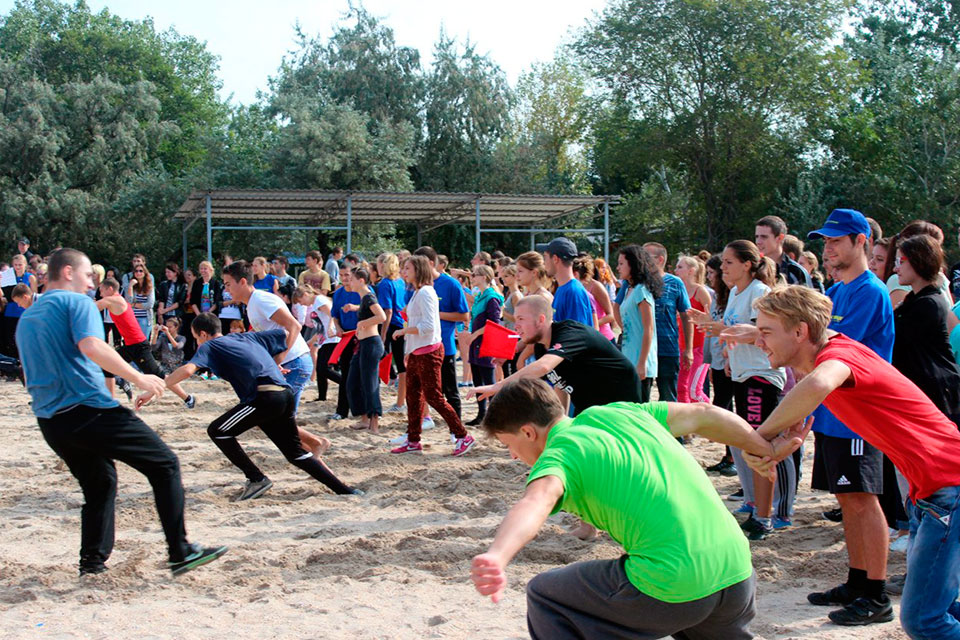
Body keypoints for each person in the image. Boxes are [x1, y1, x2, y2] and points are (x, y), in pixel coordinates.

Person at [470, 378, 806, 639]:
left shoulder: (559, 455)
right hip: (736, 569)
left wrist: (498, 555)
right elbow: (703, 414)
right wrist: (763, 448)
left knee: (547, 596)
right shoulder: (617, 413)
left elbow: (535, 502)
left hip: (675, 582)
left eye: (509, 445)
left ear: (528, 432)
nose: (513, 455)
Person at [742, 286, 960, 636]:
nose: (759, 341)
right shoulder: (830, 352)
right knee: (942, 608)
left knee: (924, 620)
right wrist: (785, 433)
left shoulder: (837, 358)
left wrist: (760, 437)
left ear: (800, 332)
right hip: (932, 492)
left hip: (948, 489)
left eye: (766, 332)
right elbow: (814, 387)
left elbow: (820, 382)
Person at [17, 248, 225, 576]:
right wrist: (138, 377)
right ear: (68, 272)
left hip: (51, 421)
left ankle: (92, 563)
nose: (92, 283)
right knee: (165, 464)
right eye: (88, 275)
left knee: (100, 483)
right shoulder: (78, 303)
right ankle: (180, 551)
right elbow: (92, 346)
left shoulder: (27, 319)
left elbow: (28, 374)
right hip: (90, 410)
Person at [141, 312, 360, 501]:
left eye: (197, 338)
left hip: (264, 397)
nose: (198, 343)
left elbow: (188, 370)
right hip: (283, 393)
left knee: (217, 431)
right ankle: (346, 491)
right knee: (295, 453)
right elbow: (285, 334)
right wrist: (273, 363)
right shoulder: (245, 337)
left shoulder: (210, 345)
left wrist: (157, 388)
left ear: (203, 335)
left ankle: (257, 479)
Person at [801, 208, 895, 625]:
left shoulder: (870, 291)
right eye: (825, 241)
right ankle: (858, 581)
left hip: (860, 415)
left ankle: (876, 594)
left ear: (861, 241)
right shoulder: (838, 290)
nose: (828, 249)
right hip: (835, 414)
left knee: (863, 499)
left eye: (836, 241)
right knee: (847, 498)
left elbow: (834, 348)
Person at [690, 240, 790, 539]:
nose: (722, 268)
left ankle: (765, 516)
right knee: (749, 443)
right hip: (743, 374)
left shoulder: (760, 292)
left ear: (747, 265)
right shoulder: (735, 292)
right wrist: (713, 326)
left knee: (760, 446)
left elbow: (765, 333)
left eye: (729, 262)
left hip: (761, 375)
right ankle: (756, 507)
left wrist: (723, 331)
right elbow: (735, 329)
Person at [220, 261, 329, 458]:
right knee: (275, 418)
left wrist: (278, 360)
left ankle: (315, 445)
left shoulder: (261, 300)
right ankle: (312, 449)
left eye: (228, 284)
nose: (226, 290)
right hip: (291, 362)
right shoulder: (253, 303)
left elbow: (294, 326)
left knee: (272, 416)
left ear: (242, 281)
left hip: (295, 362)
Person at [472, 295, 642, 415]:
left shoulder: (569, 333)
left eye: (521, 319)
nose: (516, 326)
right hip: (591, 405)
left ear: (541, 319)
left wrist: (498, 386)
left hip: (621, 400)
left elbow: (544, 366)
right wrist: (563, 422)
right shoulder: (541, 346)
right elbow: (561, 384)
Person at [390, 255, 476, 456]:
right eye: (403, 268)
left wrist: (404, 332)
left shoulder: (426, 292)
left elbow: (428, 326)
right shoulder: (418, 292)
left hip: (429, 351)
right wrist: (409, 350)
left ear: (418, 270)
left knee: (434, 397)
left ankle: (463, 436)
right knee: (413, 397)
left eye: (408, 268)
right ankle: (413, 440)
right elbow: (419, 323)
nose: (403, 272)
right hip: (418, 351)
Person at [97, 277, 195, 409]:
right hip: (130, 345)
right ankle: (111, 403)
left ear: (110, 289)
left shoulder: (114, 300)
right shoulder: (116, 300)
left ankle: (188, 398)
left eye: (101, 290)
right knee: (107, 367)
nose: (100, 293)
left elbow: (92, 307)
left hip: (139, 346)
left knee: (161, 376)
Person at [893, 234, 960, 424]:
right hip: (926, 393)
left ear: (919, 260)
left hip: (936, 397)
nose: (896, 268)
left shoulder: (929, 303)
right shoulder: (916, 300)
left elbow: (895, 338)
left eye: (901, 261)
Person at [413, 247, 469, 418]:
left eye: (418, 264)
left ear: (430, 263)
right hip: (421, 346)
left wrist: (434, 314)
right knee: (422, 388)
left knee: (449, 390)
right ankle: (425, 419)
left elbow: (464, 315)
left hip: (444, 346)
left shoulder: (451, 284)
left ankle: (456, 424)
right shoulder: (416, 285)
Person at [638, 242, 692, 403]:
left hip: (667, 347)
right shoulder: (635, 282)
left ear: (660, 259)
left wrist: (688, 349)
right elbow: (618, 307)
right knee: (640, 399)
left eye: (645, 256)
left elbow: (686, 316)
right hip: (642, 349)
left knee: (668, 398)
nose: (641, 260)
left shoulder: (675, 283)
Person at [703, 254, 737, 476]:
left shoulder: (733, 296)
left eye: (712, 273)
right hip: (718, 360)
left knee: (724, 409)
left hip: (730, 362)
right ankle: (729, 455)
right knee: (724, 408)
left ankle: (733, 457)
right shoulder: (716, 297)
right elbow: (710, 333)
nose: (709, 277)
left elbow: (730, 330)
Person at [342, 267, 386, 434]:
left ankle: (374, 423)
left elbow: (381, 316)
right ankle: (364, 419)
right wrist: (355, 308)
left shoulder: (368, 296)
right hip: (363, 344)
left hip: (371, 344)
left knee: (369, 384)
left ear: (361, 281)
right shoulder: (364, 297)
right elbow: (369, 311)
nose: (349, 282)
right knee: (353, 382)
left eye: (352, 279)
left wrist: (363, 324)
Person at [614, 245, 661, 401]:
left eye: (621, 263)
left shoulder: (641, 290)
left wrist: (642, 363)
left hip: (641, 361)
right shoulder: (629, 289)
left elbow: (649, 329)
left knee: (640, 407)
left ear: (633, 264)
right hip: (629, 357)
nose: (618, 268)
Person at [466, 265, 504, 426]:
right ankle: (481, 414)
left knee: (488, 380)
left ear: (484, 277)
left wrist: (475, 333)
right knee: (477, 380)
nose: (472, 277)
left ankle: (495, 416)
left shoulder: (491, 298)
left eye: (475, 274)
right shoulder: (480, 296)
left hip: (485, 343)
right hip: (476, 343)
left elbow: (494, 323)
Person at [675, 255, 712, 403]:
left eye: (680, 267)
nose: (676, 270)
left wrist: (698, 318)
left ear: (691, 271)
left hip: (700, 347)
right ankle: (687, 416)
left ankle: (712, 414)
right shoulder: (679, 291)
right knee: (681, 389)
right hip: (682, 345)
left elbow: (712, 317)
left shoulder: (700, 291)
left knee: (694, 391)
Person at [377, 253, 408, 413]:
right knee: (403, 365)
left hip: (392, 325)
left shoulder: (385, 283)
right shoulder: (400, 281)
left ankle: (399, 402)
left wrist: (383, 335)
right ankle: (401, 401)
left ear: (383, 265)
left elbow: (387, 311)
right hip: (402, 323)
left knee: (396, 365)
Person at [329, 268, 362, 420]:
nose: (344, 278)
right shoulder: (338, 294)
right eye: (341, 275)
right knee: (346, 373)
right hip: (346, 336)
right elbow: (335, 315)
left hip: (363, 335)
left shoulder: (362, 291)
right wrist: (338, 327)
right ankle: (342, 410)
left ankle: (367, 411)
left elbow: (375, 311)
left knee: (365, 374)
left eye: (347, 275)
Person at [539, 238, 592, 327]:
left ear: (555, 259)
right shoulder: (563, 289)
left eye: (545, 257)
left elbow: (577, 331)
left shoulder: (573, 291)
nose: (544, 263)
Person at [754, 215, 812, 287]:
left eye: (764, 237)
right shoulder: (751, 269)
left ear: (780, 238)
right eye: (757, 237)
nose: (758, 242)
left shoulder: (796, 272)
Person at [2, 254, 37, 357]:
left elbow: (34, 295)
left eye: (20, 265)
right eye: (16, 265)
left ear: (25, 265)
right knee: (10, 338)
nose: (18, 267)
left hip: (24, 311)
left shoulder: (30, 277)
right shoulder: (7, 277)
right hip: (10, 311)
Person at [156, 262, 186, 327]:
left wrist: (165, 310)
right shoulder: (163, 284)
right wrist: (160, 314)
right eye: (166, 272)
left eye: (169, 272)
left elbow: (180, 302)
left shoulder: (182, 286)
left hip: (176, 314)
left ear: (175, 273)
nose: (167, 274)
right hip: (164, 315)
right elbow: (161, 299)